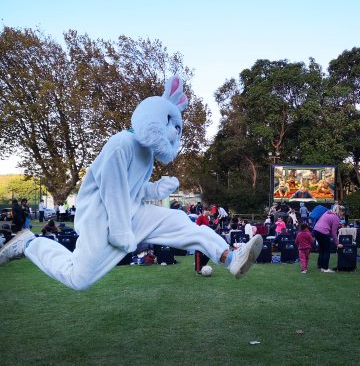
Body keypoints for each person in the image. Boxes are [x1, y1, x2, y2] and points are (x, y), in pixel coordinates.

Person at [0, 76, 263, 289]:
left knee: (183, 224)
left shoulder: (146, 152)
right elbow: (112, 191)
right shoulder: (120, 144)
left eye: (177, 129)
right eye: (170, 122)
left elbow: (132, 190)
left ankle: (231, 257)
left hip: (134, 213)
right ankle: (29, 244)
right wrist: (121, 231)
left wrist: (155, 188)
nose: (173, 132)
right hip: (104, 222)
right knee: (78, 279)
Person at [313, 204, 345, 273]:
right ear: (339, 211)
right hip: (323, 232)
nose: (342, 214)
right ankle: (325, 268)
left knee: (322, 249)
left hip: (316, 230)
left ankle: (320, 265)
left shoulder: (327, 212)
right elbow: (334, 233)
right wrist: (337, 243)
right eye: (342, 212)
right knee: (327, 250)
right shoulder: (336, 218)